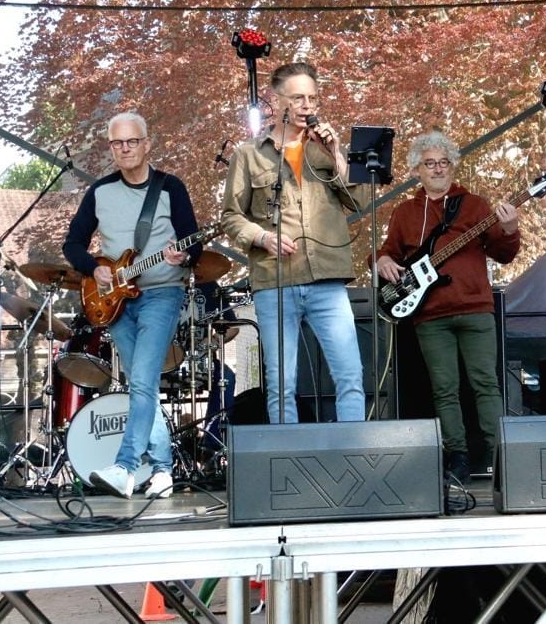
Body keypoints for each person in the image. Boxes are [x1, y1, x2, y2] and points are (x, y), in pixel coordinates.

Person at [63, 111, 203, 498]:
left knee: (141, 380)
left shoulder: (170, 188)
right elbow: (72, 244)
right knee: (142, 385)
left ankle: (124, 467)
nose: (125, 149)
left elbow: (194, 242)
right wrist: (93, 269)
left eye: (132, 141)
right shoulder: (100, 192)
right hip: (116, 302)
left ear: (146, 144)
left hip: (162, 292)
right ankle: (162, 471)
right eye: (117, 143)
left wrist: (183, 256)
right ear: (111, 148)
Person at [221, 62, 368, 424]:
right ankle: (286, 454)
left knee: (350, 375)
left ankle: (351, 450)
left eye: (313, 98)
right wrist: (262, 237)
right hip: (275, 280)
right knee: (281, 383)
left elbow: (359, 202)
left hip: (327, 278)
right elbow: (231, 217)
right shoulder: (248, 154)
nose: (307, 105)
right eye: (298, 98)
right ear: (276, 100)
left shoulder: (324, 149)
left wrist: (336, 155)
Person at [375, 131, 520, 483]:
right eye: (430, 164)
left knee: (486, 383)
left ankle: (502, 457)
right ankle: (457, 457)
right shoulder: (405, 212)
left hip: (476, 308)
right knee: (444, 388)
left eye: (444, 162)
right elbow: (388, 251)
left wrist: (510, 229)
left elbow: (503, 254)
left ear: (452, 167)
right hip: (430, 314)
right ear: (417, 171)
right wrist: (381, 260)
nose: (438, 169)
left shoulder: (476, 205)